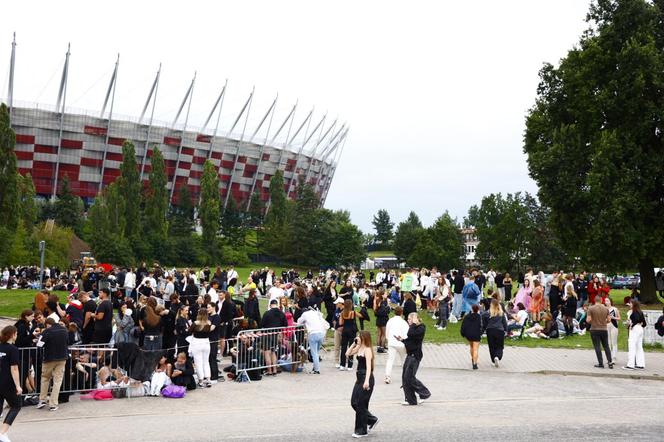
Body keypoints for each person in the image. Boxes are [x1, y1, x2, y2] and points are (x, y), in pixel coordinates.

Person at [346, 331, 378, 438]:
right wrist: (354, 344)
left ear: (364, 338)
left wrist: (367, 381)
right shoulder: (359, 348)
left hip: (366, 378)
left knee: (361, 404)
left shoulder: (367, 350)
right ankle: (371, 419)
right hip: (359, 378)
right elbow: (347, 354)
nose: (357, 337)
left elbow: (369, 367)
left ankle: (362, 430)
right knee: (354, 402)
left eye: (359, 336)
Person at [396, 313, 430, 405]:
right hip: (410, 355)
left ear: (416, 319)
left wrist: (414, 324)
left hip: (415, 356)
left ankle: (424, 393)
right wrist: (402, 340)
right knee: (405, 377)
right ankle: (410, 399)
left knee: (409, 377)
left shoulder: (421, 327)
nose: (408, 321)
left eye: (409, 319)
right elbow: (410, 339)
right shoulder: (414, 328)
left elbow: (410, 333)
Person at [36, 317, 68, 411]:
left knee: (45, 378)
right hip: (62, 358)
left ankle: (42, 400)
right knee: (57, 381)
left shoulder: (47, 331)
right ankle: (53, 404)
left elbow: (39, 344)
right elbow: (68, 342)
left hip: (49, 358)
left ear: (47, 324)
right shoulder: (64, 330)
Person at [0, 326, 22, 442]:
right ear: (13, 334)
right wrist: (18, 386)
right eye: (16, 333)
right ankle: (2, 433)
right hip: (8, 383)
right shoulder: (13, 349)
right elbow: (14, 369)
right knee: (16, 405)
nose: (17, 335)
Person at [297, 307, 329, 374]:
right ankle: (315, 367)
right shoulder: (315, 313)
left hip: (313, 333)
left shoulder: (305, 314)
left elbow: (299, 322)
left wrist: (304, 322)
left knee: (314, 353)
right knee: (316, 352)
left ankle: (316, 369)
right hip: (321, 333)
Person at [260, 299, 288, 376]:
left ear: (270, 305)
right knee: (273, 352)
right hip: (275, 334)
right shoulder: (281, 313)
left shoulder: (267, 313)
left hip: (267, 334)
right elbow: (285, 324)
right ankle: (274, 370)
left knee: (267, 352)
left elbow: (261, 324)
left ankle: (269, 371)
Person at [189, 309, 215, 387]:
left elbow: (190, 331)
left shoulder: (195, 323)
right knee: (206, 362)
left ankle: (201, 380)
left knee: (198, 362)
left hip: (197, 343)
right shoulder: (209, 323)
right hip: (206, 343)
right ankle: (208, 379)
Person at [587, 295, 614, 369]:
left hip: (594, 329)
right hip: (604, 329)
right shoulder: (606, 309)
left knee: (597, 346)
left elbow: (588, 320)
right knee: (606, 346)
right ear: (601, 300)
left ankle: (601, 363)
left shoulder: (591, 308)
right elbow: (609, 320)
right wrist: (603, 322)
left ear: (595, 300)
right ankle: (610, 362)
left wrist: (594, 321)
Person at [384, 306, 408, 384]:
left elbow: (387, 332)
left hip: (391, 342)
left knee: (390, 360)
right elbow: (406, 334)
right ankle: (406, 377)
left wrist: (388, 339)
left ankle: (387, 376)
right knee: (403, 360)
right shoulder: (404, 322)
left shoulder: (390, 321)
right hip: (401, 343)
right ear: (402, 313)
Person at [339, 299, 365, 371]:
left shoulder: (342, 313)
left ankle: (342, 364)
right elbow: (361, 316)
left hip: (345, 330)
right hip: (352, 331)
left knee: (343, 347)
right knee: (352, 346)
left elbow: (341, 323)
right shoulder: (353, 313)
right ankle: (350, 365)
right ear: (351, 305)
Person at [483, 299, 508, 367]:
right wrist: (506, 330)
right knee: (500, 346)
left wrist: (482, 330)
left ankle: (493, 359)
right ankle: (498, 356)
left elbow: (484, 323)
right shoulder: (501, 313)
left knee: (492, 346)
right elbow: (504, 323)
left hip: (490, 331)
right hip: (500, 331)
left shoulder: (487, 313)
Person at [623, 300, 647, 370]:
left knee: (632, 347)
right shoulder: (640, 312)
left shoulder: (634, 312)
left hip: (635, 330)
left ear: (633, 304)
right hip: (640, 329)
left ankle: (630, 365)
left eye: (630, 303)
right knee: (639, 347)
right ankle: (640, 364)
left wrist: (631, 325)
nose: (629, 305)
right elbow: (644, 324)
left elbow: (635, 320)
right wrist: (636, 323)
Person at [460, 304, 482, 369]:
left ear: (471, 309)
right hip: (476, 334)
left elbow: (463, 325)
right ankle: (475, 363)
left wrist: (463, 333)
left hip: (469, 334)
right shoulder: (479, 317)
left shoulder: (467, 316)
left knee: (472, 347)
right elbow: (481, 326)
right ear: (478, 310)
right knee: (476, 349)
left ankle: (473, 358)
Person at [605, 297, 620, 361]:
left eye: (607, 300)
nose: (606, 302)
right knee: (608, 342)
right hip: (606, 326)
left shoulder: (615, 309)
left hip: (614, 326)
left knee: (614, 342)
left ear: (610, 301)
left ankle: (614, 357)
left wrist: (613, 317)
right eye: (605, 301)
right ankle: (609, 357)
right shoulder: (604, 309)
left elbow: (619, 318)